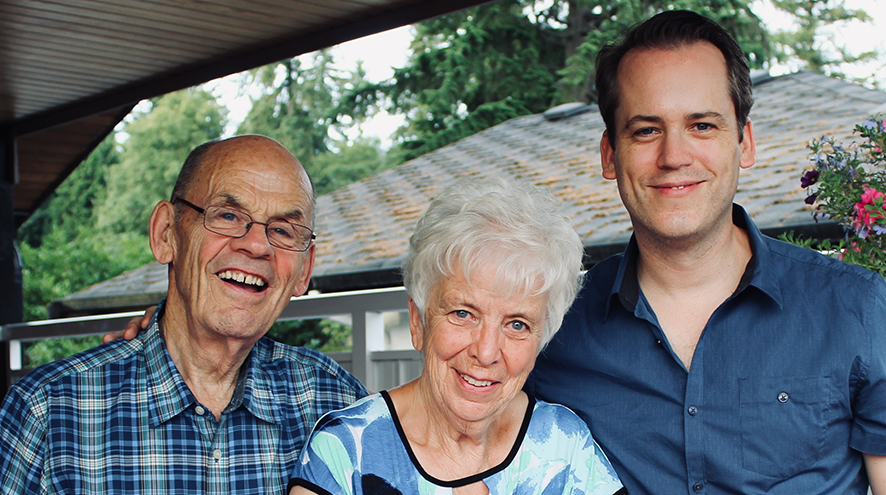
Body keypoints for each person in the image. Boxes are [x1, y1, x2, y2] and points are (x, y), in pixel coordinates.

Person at [524, 9, 886, 495]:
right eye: (646, 130)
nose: (674, 156)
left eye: (702, 126)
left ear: (745, 142)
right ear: (610, 154)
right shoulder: (551, 326)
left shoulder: (860, 310)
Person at [0, 135, 368, 493]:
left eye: (284, 231)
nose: (257, 245)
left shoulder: (335, 403)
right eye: (227, 215)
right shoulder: (49, 413)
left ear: (304, 270)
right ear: (166, 233)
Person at [288, 177, 625, 495]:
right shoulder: (346, 450)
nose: (487, 351)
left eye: (517, 324)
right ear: (418, 321)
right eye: (463, 314)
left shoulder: (563, 444)